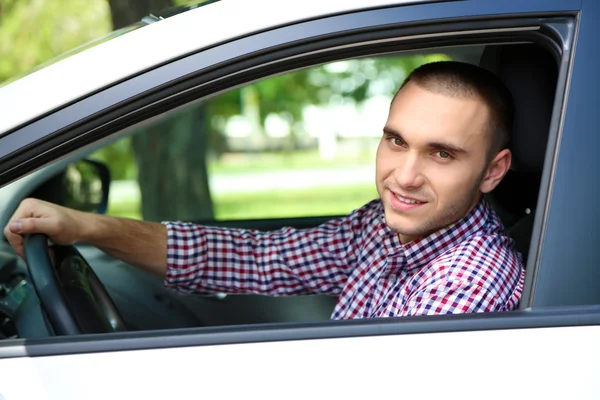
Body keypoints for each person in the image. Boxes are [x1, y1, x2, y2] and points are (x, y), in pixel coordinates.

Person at [3, 61, 524, 319]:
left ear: (493, 171)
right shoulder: (383, 229)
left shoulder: (467, 286)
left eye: (441, 154)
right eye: (395, 140)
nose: (404, 177)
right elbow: (258, 258)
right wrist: (86, 226)